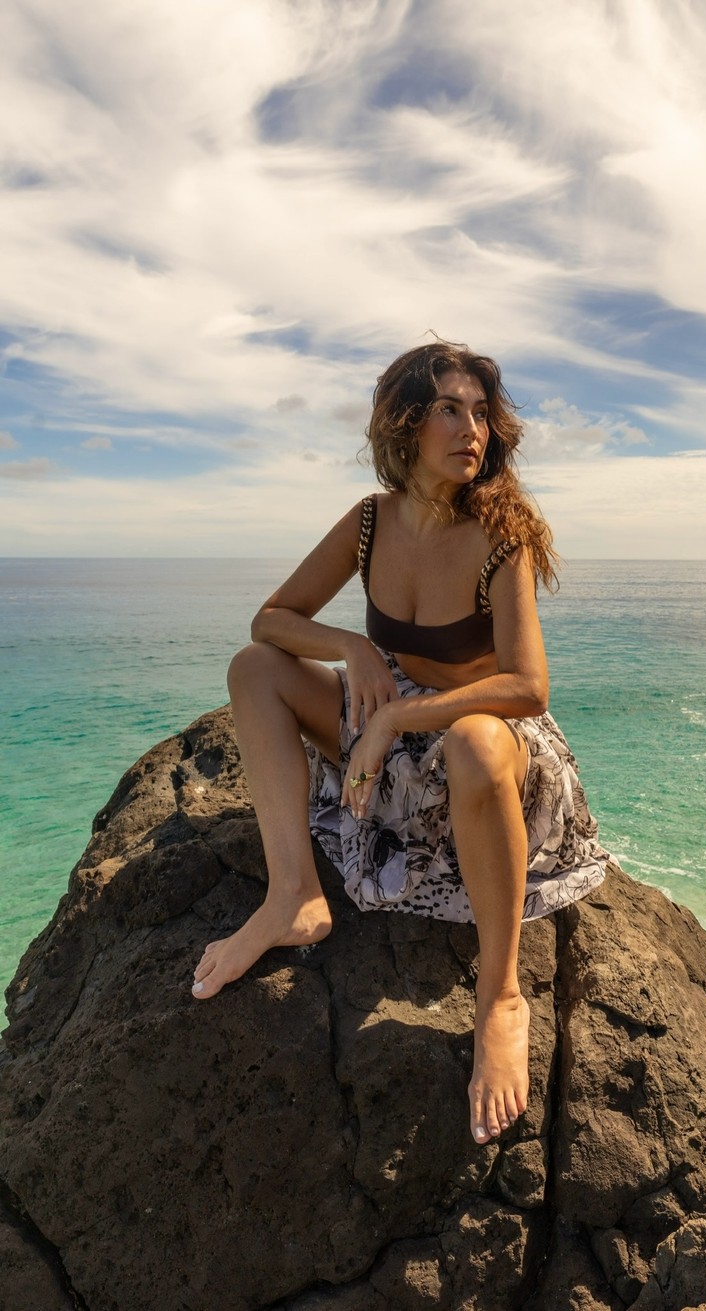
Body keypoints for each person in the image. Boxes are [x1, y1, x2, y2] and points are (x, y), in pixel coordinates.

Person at [191, 342, 610, 1145]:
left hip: (484, 737)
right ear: (405, 423)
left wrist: (389, 720)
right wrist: (351, 645)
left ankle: (500, 995)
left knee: (478, 747)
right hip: (393, 726)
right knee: (256, 671)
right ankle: (294, 895)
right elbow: (270, 622)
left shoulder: (503, 532)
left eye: (482, 411)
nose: (472, 429)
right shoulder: (369, 520)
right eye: (450, 408)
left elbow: (528, 687)